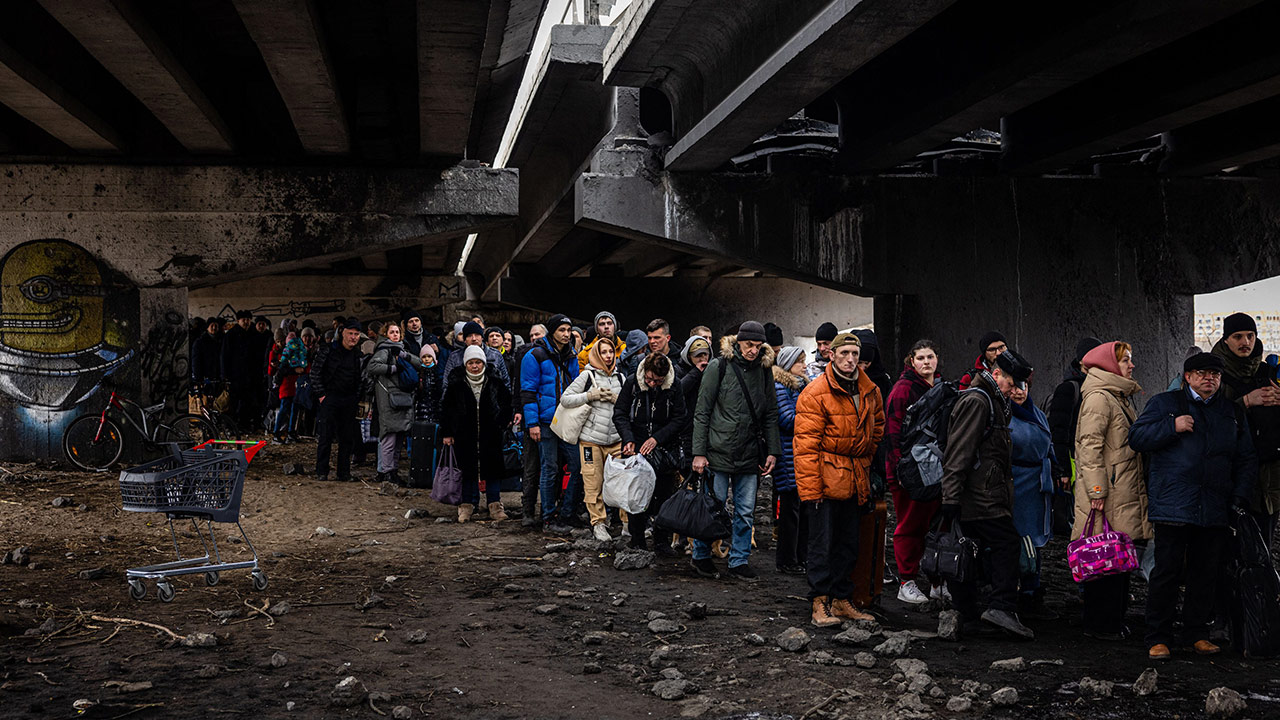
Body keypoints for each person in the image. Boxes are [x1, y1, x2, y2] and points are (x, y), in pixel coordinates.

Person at [1131, 351, 1258, 661]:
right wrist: (1171, 427)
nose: (1209, 379)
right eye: (1202, 373)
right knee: (1167, 572)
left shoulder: (1230, 411)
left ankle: (1196, 634)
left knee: (1205, 573)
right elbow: (1137, 437)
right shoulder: (1165, 404)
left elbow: (1245, 458)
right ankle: (1158, 637)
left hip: (1214, 505)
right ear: (1187, 377)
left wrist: (1239, 496)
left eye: (1215, 374)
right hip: (1173, 504)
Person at [938, 350, 1035, 639]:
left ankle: (967, 614)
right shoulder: (978, 402)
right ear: (996, 374)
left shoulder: (992, 401)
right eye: (1011, 384)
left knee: (968, 549)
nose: (1014, 391)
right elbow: (959, 452)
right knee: (1005, 543)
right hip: (979, 494)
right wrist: (950, 497)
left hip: (980, 491)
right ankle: (1000, 607)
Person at [794, 333, 884, 626]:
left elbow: (877, 428)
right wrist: (811, 491)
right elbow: (805, 446)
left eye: (854, 354)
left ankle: (841, 599)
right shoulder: (815, 392)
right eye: (844, 353)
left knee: (848, 543)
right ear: (831, 355)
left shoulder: (870, 390)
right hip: (825, 478)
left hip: (855, 476)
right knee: (822, 544)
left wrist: (865, 461)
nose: (850, 359)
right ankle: (819, 602)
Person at [690, 321, 781, 579]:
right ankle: (701, 555)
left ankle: (739, 559)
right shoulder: (718, 366)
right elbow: (702, 411)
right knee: (713, 507)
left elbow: (770, 413)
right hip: (717, 451)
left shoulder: (764, 371)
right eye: (749, 345)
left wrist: (773, 451)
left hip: (749, 452)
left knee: (745, 511)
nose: (753, 350)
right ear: (738, 342)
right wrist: (699, 453)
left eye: (758, 346)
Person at [1072, 340, 1150, 640]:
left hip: (1118, 490)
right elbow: (1089, 447)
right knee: (1103, 556)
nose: (1132, 365)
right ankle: (1101, 624)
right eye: (1125, 360)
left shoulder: (1116, 395)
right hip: (1108, 494)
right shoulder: (1099, 398)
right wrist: (1097, 491)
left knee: (1115, 557)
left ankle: (1111, 621)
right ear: (1109, 364)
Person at [1212, 313, 1280, 542]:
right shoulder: (1213, 374)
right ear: (1226, 340)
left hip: (1268, 481)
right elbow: (1208, 420)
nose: (1246, 342)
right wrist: (1246, 402)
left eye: (1250, 336)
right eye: (1238, 336)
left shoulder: (1268, 373)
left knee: (1261, 549)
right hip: (1229, 475)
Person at [884, 339, 943, 604]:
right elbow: (892, 431)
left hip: (934, 467)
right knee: (910, 525)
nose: (926, 362)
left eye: (930, 357)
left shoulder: (940, 387)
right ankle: (906, 581)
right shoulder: (903, 390)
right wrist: (899, 469)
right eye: (921, 358)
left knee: (936, 525)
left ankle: (936, 582)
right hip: (909, 471)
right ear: (912, 361)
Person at [614, 351, 687, 554]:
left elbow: (680, 418)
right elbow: (619, 413)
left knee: (664, 496)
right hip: (636, 447)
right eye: (649, 379)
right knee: (637, 496)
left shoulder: (674, 385)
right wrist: (628, 438)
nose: (653, 384)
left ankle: (661, 541)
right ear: (644, 372)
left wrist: (657, 438)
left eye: (658, 381)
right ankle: (637, 540)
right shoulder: (633, 382)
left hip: (664, 449)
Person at [522, 314, 583, 533]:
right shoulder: (534, 355)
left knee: (577, 465)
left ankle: (567, 513)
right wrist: (532, 423)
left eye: (568, 330)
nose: (566, 334)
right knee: (549, 469)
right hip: (545, 421)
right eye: (561, 330)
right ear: (552, 331)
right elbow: (528, 392)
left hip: (566, 419)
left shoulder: (571, 354)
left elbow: (575, 386)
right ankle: (548, 518)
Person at [559, 340, 625, 541]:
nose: (608, 356)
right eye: (603, 352)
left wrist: (617, 399)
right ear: (596, 355)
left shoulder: (621, 377)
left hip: (616, 439)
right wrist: (590, 395)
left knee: (622, 483)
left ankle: (627, 523)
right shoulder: (587, 376)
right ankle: (598, 523)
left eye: (611, 352)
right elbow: (565, 399)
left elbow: (630, 405)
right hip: (591, 440)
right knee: (592, 483)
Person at [440, 346, 514, 522]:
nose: (475, 366)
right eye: (471, 363)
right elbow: (446, 409)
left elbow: (507, 403)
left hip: (491, 433)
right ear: (465, 364)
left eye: (478, 362)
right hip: (465, 434)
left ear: (484, 363)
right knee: (467, 469)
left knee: (492, 469)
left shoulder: (494, 380)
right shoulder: (456, 383)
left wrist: (502, 423)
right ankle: (467, 505)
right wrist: (448, 432)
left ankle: (495, 505)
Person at [1008, 373, 1056, 619]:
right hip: (1016, 483)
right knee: (1016, 540)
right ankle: (1012, 593)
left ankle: (1031, 592)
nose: (1019, 392)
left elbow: (1048, 443)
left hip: (1037, 485)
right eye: (1014, 387)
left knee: (1035, 541)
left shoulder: (1036, 412)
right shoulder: (1003, 414)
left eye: (1023, 386)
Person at [1046, 337, 1103, 535]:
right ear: (1081, 361)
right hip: (1072, 460)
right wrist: (1062, 470)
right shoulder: (1069, 388)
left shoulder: (1097, 388)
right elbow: (1059, 431)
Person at [365, 322, 424, 484]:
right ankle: (387, 471)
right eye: (392, 332)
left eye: (397, 332)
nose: (395, 335)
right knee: (389, 438)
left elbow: (420, 363)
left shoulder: (402, 350)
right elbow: (372, 367)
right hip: (389, 400)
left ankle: (393, 471)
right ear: (386, 334)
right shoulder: (384, 350)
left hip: (402, 399)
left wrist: (406, 356)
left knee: (398, 438)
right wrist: (392, 368)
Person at [311, 320, 365, 482]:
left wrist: (356, 397)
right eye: (350, 333)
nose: (353, 337)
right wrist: (322, 395)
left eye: (356, 334)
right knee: (325, 436)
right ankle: (322, 471)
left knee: (347, 438)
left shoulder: (358, 355)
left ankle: (344, 472)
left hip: (349, 399)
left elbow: (360, 379)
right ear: (343, 333)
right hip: (330, 397)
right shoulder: (328, 350)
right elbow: (315, 373)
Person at [772, 346, 809, 574]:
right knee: (790, 511)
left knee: (801, 510)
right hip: (788, 455)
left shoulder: (800, 385)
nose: (804, 366)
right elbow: (786, 419)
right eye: (799, 362)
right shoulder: (781, 386)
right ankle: (787, 559)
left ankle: (800, 557)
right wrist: (812, 419)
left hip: (799, 454)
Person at [441, 321, 510, 396]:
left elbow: (505, 382)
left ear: (482, 337)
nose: (474, 339)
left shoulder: (495, 355)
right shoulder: (455, 357)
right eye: (469, 335)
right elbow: (446, 384)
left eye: (477, 335)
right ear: (465, 339)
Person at [677, 335, 713, 473]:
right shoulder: (678, 370)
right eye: (698, 355)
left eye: (705, 354)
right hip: (686, 430)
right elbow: (678, 392)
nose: (703, 359)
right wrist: (695, 372)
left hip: (709, 430)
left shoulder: (713, 369)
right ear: (689, 356)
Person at [220, 310, 259, 434]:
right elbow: (225, 356)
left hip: (250, 375)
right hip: (235, 375)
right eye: (243, 320)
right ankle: (231, 427)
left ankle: (244, 425)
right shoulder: (231, 335)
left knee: (247, 402)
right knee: (233, 403)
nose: (246, 322)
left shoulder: (253, 334)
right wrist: (225, 375)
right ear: (238, 321)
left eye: (248, 319)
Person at [273, 334, 308, 443]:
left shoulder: (288, 354)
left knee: (290, 409)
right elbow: (283, 370)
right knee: (289, 409)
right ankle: (282, 432)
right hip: (290, 384)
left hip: (290, 385)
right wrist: (295, 371)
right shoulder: (299, 354)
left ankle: (285, 432)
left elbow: (281, 370)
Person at [190, 317, 223, 395]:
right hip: (206, 376)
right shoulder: (200, 342)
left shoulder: (222, 341)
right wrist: (198, 378)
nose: (214, 328)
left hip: (219, 376)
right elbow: (196, 361)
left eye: (216, 326)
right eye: (212, 325)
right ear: (207, 327)